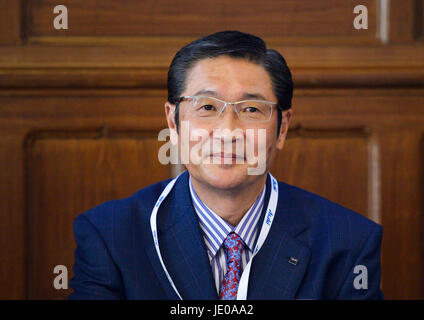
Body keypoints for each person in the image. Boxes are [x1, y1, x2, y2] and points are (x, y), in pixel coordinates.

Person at [69, 30, 383, 300]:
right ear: (173, 122)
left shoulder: (348, 242)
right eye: (206, 106)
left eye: (251, 109)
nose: (228, 132)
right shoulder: (110, 234)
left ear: (282, 128)